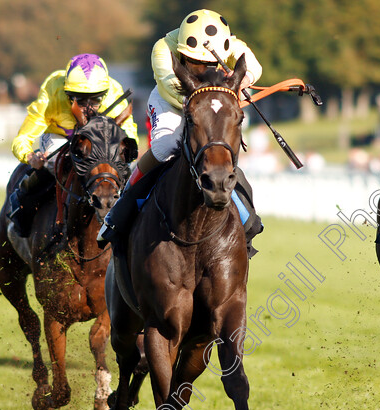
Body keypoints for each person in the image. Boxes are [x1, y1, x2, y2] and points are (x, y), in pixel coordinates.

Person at [96, 9, 265, 257]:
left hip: (210, 103)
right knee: (166, 147)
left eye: (210, 64)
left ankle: (244, 216)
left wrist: (242, 81)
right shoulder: (162, 48)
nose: (203, 68)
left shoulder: (228, 43)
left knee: (219, 148)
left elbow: (254, 67)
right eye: (196, 63)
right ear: (183, 52)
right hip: (171, 101)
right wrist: (205, 100)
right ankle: (120, 209)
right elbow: (169, 85)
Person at [8, 54, 138, 237]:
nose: (87, 107)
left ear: (104, 95)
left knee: (126, 169)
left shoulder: (114, 93)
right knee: (51, 163)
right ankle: (22, 210)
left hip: (99, 141)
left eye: (94, 100)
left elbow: (129, 135)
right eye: (79, 100)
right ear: (67, 93)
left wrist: (126, 156)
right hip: (60, 136)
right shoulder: (53, 93)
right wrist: (30, 157)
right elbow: (21, 140)